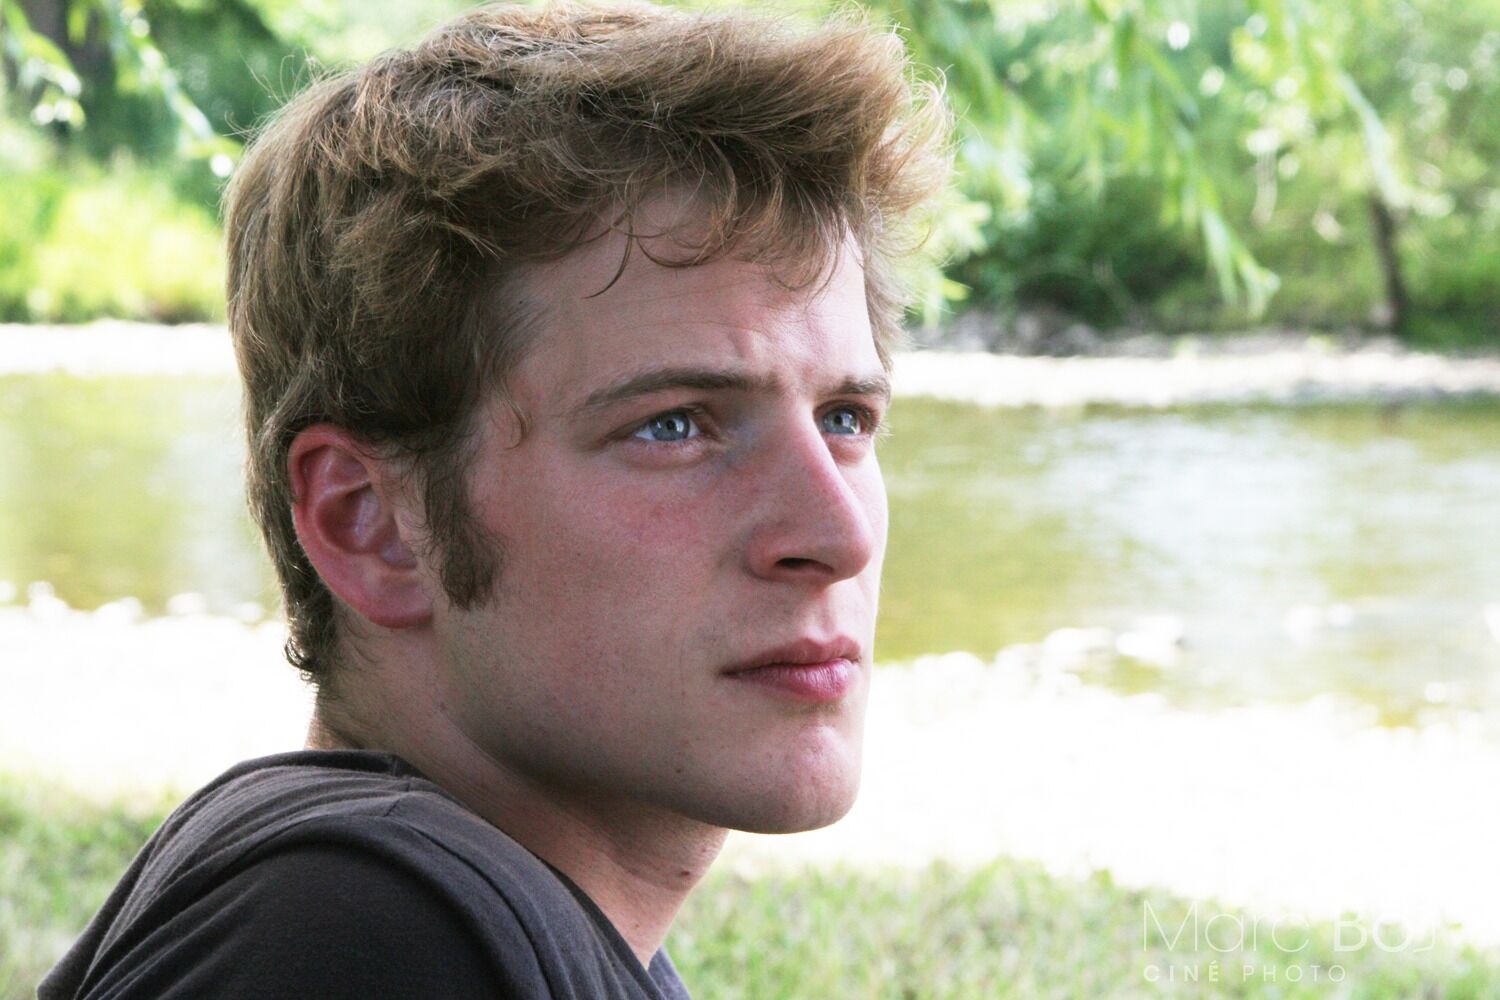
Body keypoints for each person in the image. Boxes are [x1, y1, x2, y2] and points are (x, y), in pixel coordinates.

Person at [41, 2, 949, 997]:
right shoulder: (370, 938)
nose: (839, 534)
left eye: (845, 419)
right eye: (673, 425)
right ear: (369, 522)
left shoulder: (487, 918)